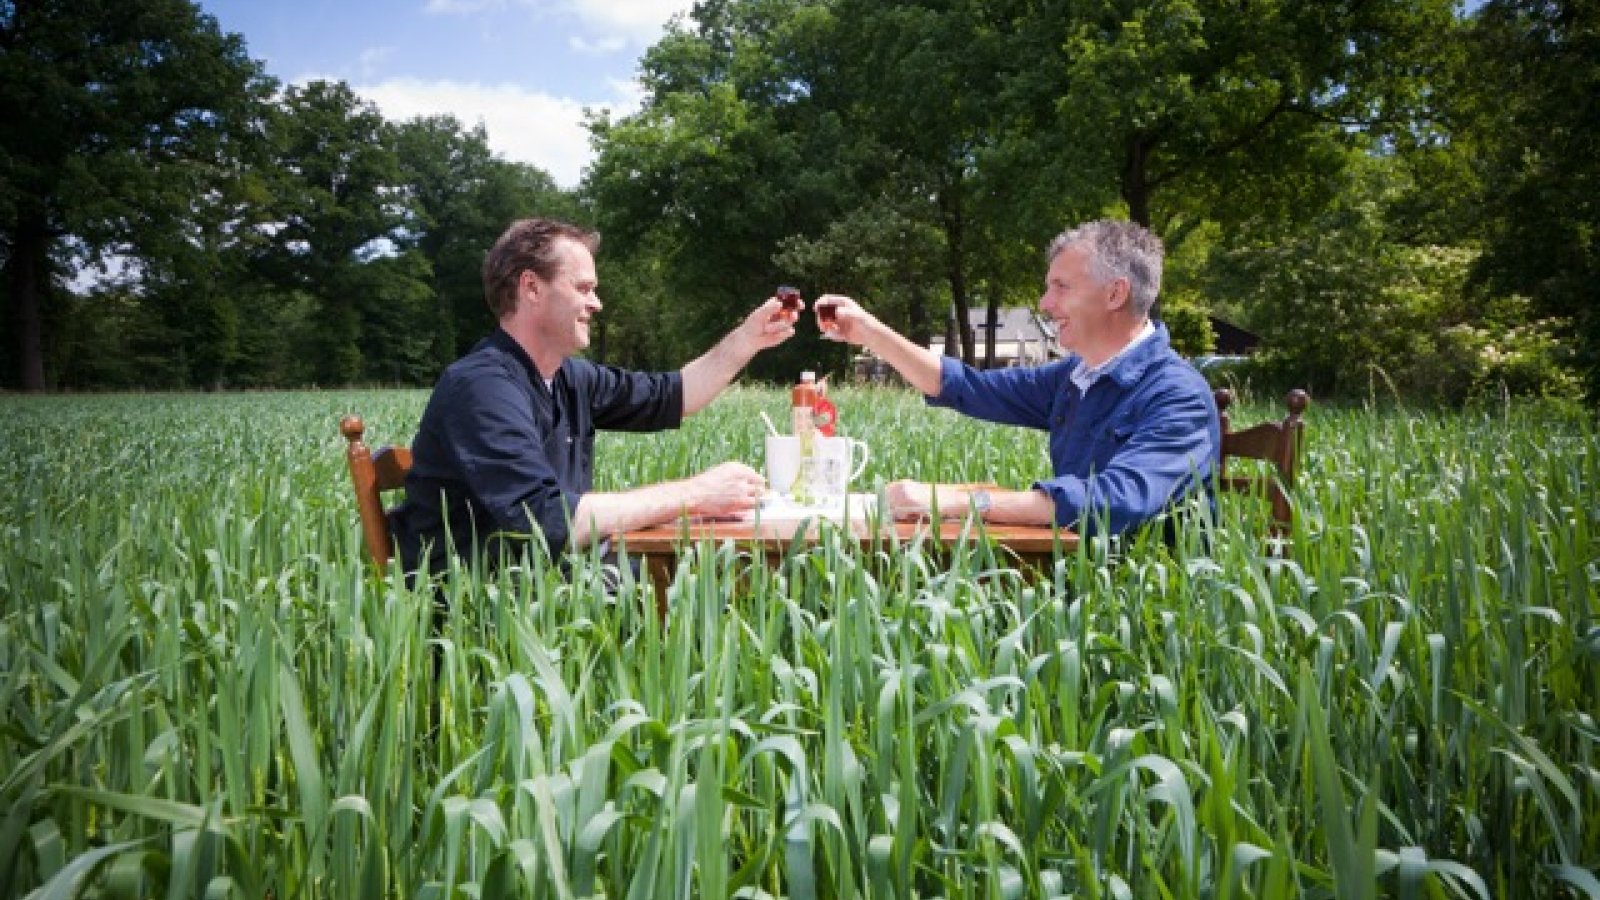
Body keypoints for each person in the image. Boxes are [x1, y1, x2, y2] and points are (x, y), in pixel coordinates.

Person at [389, 217, 796, 575]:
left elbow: (676, 394)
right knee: (693, 585)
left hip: (553, 579)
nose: (596, 303)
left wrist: (748, 338)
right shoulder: (481, 388)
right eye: (583, 288)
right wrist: (697, 495)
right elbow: (548, 521)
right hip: (485, 612)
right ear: (531, 287)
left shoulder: (568, 377)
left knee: (701, 576)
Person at [815, 218, 1219, 537]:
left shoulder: (1178, 397)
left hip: (1142, 607)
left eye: (1060, 287)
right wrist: (868, 331)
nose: (1045, 304)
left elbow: (1113, 500)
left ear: (1115, 294)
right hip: (1074, 577)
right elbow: (968, 388)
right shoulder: (1077, 377)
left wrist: (956, 503)